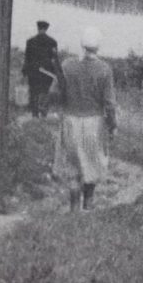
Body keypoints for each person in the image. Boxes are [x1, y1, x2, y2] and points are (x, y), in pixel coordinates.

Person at [54, 27, 118, 213]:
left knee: (72, 163)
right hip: (94, 123)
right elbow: (109, 104)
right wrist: (112, 125)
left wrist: (64, 98)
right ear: (98, 47)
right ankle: (88, 205)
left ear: (81, 45)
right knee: (92, 162)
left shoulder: (67, 66)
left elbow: (54, 93)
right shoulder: (104, 70)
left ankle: (74, 207)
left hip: (70, 121)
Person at [22, 20, 60, 118]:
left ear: (38, 28)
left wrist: (24, 72)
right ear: (46, 29)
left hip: (33, 71)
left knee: (34, 91)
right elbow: (55, 58)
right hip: (47, 72)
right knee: (45, 91)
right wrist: (58, 72)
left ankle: (35, 113)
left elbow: (27, 58)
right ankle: (43, 112)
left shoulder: (30, 41)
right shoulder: (52, 42)